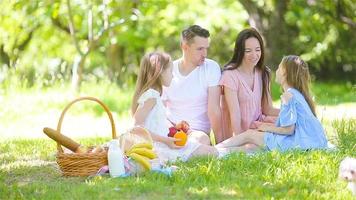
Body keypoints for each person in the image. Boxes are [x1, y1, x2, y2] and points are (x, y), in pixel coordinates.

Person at [216, 55, 328, 152]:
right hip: (312, 142)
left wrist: (267, 128)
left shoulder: (288, 96)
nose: (277, 71)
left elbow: (289, 130)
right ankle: (219, 150)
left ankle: (215, 148)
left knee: (249, 134)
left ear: (285, 73)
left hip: (297, 143)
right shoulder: (296, 94)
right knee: (253, 145)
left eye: (279, 67)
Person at [131, 52, 218, 162]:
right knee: (211, 152)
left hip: (162, 145)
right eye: (171, 71)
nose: (173, 75)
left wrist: (175, 127)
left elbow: (153, 123)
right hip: (158, 149)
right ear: (160, 72)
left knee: (206, 145)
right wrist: (165, 141)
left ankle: (240, 147)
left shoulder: (155, 95)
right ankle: (241, 149)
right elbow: (136, 128)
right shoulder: (151, 96)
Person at [162, 25, 222, 145]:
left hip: (196, 133)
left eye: (206, 48)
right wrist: (169, 129)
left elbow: (214, 110)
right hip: (170, 129)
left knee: (201, 140)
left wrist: (220, 144)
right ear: (185, 47)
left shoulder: (211, 68)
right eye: (200, 49)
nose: (205, 54)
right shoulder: (169, 70)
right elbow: (160, 108)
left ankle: (179, 150)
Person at [217, 28, 279, 144]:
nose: (254, 55)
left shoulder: (263, 73)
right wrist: (241, 141)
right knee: (262, 145)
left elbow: (268, 109)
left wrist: (293, 113)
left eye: (257, 50)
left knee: (291, 127)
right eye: (248, 51)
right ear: (240, 51)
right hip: (238, 133)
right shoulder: (230, 75)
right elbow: (234, 115)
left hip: (258, 127)